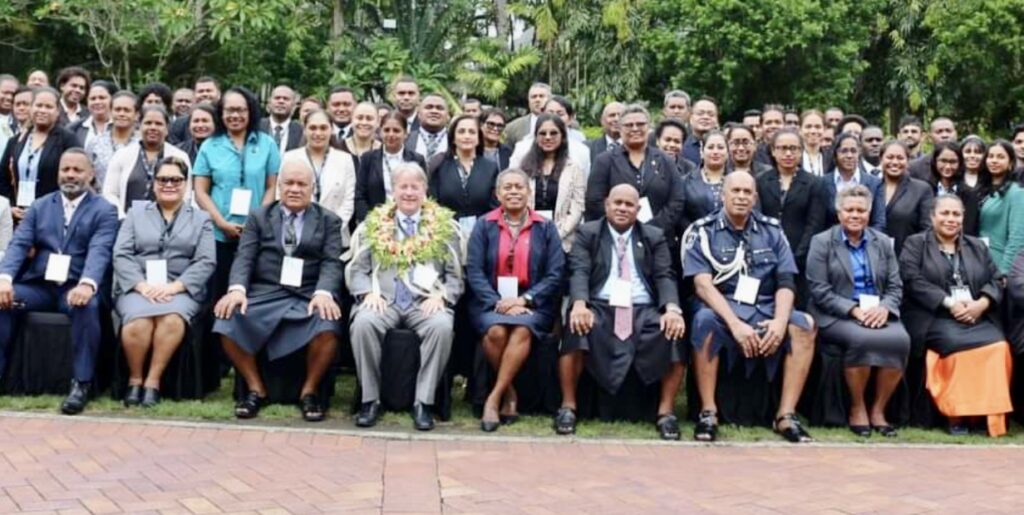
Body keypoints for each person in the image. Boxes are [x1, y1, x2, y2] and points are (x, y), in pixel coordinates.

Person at [683, 172, 817, 443]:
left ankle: (786, 415)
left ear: (755, 198)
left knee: (804, 325)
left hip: (765, 306)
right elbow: (702, 286)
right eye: (736, 191)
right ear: (723, 195)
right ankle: (708, 412)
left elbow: (786, 281)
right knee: (703, 321)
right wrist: (735, 324)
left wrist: (780, 322)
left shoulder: (772, 230)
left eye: (747, 192)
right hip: (723, 307)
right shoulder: (703, 231)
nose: (741, 197)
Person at [213, 160, 343, 421]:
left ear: (312, 188)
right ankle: (255, 389)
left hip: (307, 292)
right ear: (279, 186)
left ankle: (309, 392)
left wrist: (323, 292)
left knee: (328, 324)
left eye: (301, 184)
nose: (294, 189)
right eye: (289, 183)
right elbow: (245, 257)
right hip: (266, 291)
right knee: (227, 318)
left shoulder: (329, 220)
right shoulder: (259, 217)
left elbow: (331, 262)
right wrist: (237, 289)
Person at [557, 184, 687, 440]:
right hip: (600, 305)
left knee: (673, 332)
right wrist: (580, 303)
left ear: (638, 209)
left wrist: (672, 309)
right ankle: (568, 407)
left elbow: (664, 275)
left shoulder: (653, 236)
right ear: (607, 205)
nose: (622, 208)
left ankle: (666, 412)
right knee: (576, 327)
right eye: (617, 203)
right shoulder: (588, 233)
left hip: (642, 307)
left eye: (629, 205)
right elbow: (579, 270)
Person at [0, 148, 118, 414]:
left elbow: (100, 251)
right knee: (2, 299)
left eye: (77, 170)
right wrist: (4, 278)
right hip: (40, 286)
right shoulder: (40, 206)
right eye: (65, 169)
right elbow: (19, 244)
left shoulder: (104, 210)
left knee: (86, 306)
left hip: (75, 286)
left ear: (91, 174)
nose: (70, 175)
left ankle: (81, 384)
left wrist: (87, 284)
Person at [347, 163, 464, 430]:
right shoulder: (372, 225)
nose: (409, 193)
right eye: (403, 187)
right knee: (363, 323)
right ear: (393, 190)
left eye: (415, 187)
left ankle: (423, 402)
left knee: (441, 326)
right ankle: (370, 400)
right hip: (384, 300)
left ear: (425, 190)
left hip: (424, 302)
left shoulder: (445, 227)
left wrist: (443, 297)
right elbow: (357, 270)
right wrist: (367, 293)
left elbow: (455, 276)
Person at [900, 194, 1012, 437]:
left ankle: (988, 416)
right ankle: (957, 415)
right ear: (933, 217)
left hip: (976, 315)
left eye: (956, 214)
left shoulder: (977, 246)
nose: (951, 219)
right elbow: (912, 280)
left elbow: (996, 279)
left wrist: (981, 303)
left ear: (963, 218)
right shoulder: (915, 244)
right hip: (934, 316)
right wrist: (950, 304)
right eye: (945, 213)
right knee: (958, 346)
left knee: (999, 346)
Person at [806, 185, 910, 437]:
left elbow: (895, 285)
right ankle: (857, 406)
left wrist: (885, 308)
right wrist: (853, 310)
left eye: (861, 210)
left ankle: (878, 410)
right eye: (849, 210)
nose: (855, 215)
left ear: (869, 213)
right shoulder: (821, 242)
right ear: (839, 213)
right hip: (837, 313)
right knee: (862, 339)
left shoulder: (882, 242)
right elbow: (819, 289)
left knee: (901, 340)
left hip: (877, 312)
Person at [466, 169, 565, 431]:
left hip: (533, 304)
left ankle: (493, 398)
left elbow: (555, 273)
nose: (513, 192)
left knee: (522, 328)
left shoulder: (545, 227)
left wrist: (526, 299)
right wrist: (496, 301)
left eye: (519, 187)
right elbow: (474, 271)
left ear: (528, 192)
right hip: (490, 302)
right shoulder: (484, 225)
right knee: (496, 332)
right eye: (507, 187)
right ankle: (509, 393)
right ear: (498, 194)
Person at [112, 156, 215, 407]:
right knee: (139, 321)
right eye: (163, 179)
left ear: (186, 184)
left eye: (176, 180)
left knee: (171, 320)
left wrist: (175, 287)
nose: (169, 184)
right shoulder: (135, 214)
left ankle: (153, 382)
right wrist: (142, 286)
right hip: (138, 288)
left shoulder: (201, 219)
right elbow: (121, 254)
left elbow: (206, 261)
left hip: (180, 289)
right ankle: (135, 380)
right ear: (154, 183)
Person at [193, 86, 280, 306]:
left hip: (257, 232)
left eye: (241, 110)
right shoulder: (209, 145)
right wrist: (221, 223)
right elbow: (200, 191)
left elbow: (272, 186)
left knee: (251, 294)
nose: (235, 115)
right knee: (217, 295)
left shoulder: (267, 144)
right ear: (221, 113)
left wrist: (257, 220)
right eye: (229, 110)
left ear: (250, 111)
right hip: (218, 234)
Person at [584, 104, 683, 239]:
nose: (635, 128)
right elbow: (594, 201)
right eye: (629, 125)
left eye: (640, 124)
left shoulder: (665, 161)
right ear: (620, 129)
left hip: (659, 237)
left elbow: (676, 200)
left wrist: (652, 229)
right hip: (615, 237)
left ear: (649, 127)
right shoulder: (604, 161)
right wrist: (623, 227)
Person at [756, 129, 826, 282]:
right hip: (766, 253)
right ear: (773, 151)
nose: (788, 153)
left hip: (801, 258)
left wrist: (797, 256)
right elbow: (757, 218)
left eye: (793, 148)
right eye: (782, 148)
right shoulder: (761, 181)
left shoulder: (814, 183)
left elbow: (815, 224)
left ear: (801, 151)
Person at [0, 87, 79, 222]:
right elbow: (2, 177)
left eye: (48, 107)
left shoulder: (67, 139)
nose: (42, 110)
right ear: (31, 108)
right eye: (39, 105)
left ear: (57, 111)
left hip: (54, 216)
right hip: (18, 216)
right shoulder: (16, 141)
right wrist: (10, 206)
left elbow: (76, 176)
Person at [282, 109, 357, 247]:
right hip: (296, 236)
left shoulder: (345, 160)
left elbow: (348, 202)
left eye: (323, 128)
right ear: (304, 130)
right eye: (312, 128)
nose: (318, 133)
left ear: (331, 130)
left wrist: (329, 229)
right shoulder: (289, 157)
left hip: (335, 237)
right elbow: (281, 197)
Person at [102, 106, 191, 217]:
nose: (153, 127)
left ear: (167, 128)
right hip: (126, 221)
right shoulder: (121, 155)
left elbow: (186, 195)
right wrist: (122, 217)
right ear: (139, 126)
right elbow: (109, 193)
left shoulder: (180, 156)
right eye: (148, 123)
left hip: (167, 222)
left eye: (158, 124)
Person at [515, 113, 586, 252]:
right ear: (535, 137)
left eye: (553, 133)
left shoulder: (573, 168)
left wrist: (557, 234)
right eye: (542, 133)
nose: (548, 137)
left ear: (562, 136)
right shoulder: (523, 167)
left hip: (562, 241)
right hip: (527, 239)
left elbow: (577, 207)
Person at [427, 114, 499, 238]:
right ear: (453, 138)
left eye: (472, 132)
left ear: (478, 138)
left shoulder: (490, 168)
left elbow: (495, 207)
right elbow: (433, 204)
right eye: (461, 131)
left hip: (483, 234)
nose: (467, 136)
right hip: (447, 234)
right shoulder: (439, 165)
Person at [354, 112, 427, 224]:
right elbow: (360, 195)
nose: (391, 134)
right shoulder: (368, 159)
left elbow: (423, 193)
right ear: (380, 132)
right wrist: (371, 222)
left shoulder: (417, 159)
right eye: (387, 130)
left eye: (396, 131)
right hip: (375, 223)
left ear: (406, 133)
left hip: (409, 221)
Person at [819, 132, 886, 231]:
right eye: (844, 151)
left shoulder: (875, 184)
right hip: (831, 239)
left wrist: (866, 239)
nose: (849, 155)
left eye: (853, 151)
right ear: (835, 154)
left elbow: (879, 222)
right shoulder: (822, 183)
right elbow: (818, 222)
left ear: (859, 153)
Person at [509, 96, 591, 176]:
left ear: (570, 119)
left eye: (560, 114)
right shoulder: (522, 148)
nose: (554, 118)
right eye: (550, 113)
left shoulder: (581, 151)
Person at [977, 139, 1024, 273]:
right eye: (991, 156)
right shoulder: (981, 190)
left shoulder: (1017, 193)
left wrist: (1004, 271)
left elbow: (1017, 237)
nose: (994, 160)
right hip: (977, 260)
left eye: (1000, 157)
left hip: (999, 262)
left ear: (1011, 163)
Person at [880, 141, 933, 255]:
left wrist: (912, 252)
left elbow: (927, 229)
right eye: (890, 157)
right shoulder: (872, 186)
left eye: (900, 158)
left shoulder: (921, 189)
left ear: (908, 161)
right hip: (874, 255)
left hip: (907, 255)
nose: (895, 162)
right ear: (881, 159)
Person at [678, 130, 728, 235]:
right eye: (710, 147)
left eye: (720, 147)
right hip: (694, 237)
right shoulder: (685, 182)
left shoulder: (737, 181)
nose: (715, 152)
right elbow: (680, 216)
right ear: (701, 151)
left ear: (727, 152)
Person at [85, 91, 139, 187]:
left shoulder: (142, 144)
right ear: (110, 112)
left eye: (127, 110)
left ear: (136, 115)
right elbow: (86, 177)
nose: (121, 114)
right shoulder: (95, 143)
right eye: (117, 110)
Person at [68, 80, 116, 148]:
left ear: (112, 100)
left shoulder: (121, 125)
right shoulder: (75, 128)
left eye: (102, 98)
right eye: (93, 99)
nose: (97, 102)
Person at [909, 117, 958, 182]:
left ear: (956, 134)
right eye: (939, 132)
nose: (944, 135)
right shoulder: (915, 167)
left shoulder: (966, 163)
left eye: (948, 131)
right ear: (930, 137)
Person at [503, 83, 551, 147]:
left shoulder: (560, 123)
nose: (537, 100)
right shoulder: (512, 128)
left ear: (550, 99)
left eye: (541, 96)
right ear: (528, 101)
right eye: (534, 97)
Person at [260, 85, 303, 155]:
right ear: (269, 103)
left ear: (293, 105)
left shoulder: (301, 131)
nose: (281, 101)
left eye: (286, 99)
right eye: (277, 98)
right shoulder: (256, 127)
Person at [405, 93, 450, 160]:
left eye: (440, 108)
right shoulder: (405, 140)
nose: (434, 111)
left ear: (448, 115)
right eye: (429, 107)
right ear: (418, 114)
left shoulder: (456, 140)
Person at [681, 97, 719, 165]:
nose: (705, 117)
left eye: (711, 115)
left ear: (717, 120)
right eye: (700, 114)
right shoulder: (681, 147)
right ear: (691, 118)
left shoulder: (725, 148)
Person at [799, 110, 831, 176]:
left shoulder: (831, 158)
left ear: (824, 129)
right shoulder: (794, 156)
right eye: (808, 127)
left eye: (817, 127)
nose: (813, 131)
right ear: (800, 129)